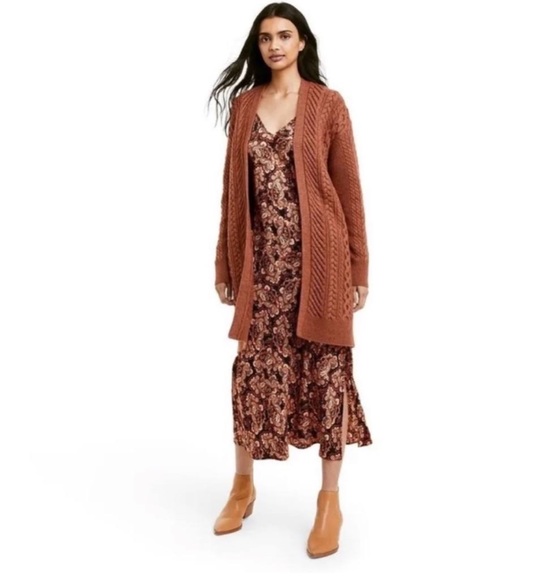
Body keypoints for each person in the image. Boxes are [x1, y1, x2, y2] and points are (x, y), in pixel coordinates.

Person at [207, 2, 372, 558]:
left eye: (284, 35)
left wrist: (358, 266)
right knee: (252, 372)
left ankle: (329, 502)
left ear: (302, 42)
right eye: (265, 38)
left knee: (328, 375)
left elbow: (349, 191)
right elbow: (232, 193)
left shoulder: (328, 104)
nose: (274, 45)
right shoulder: (244, 105)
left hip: (320, 265)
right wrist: (226, 263)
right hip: (263, 268)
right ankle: (243, 485)